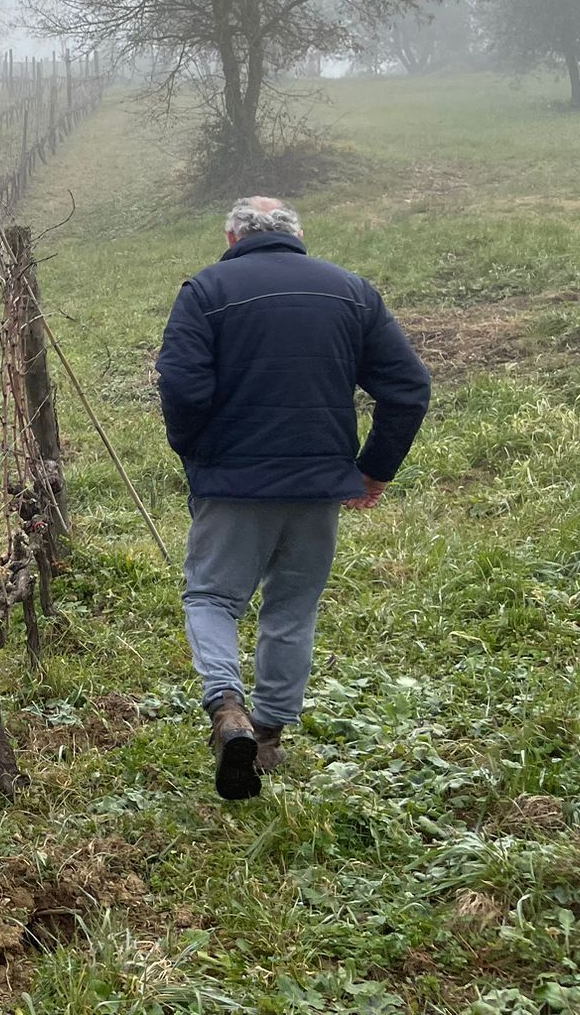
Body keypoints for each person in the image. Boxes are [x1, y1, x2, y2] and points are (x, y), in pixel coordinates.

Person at [155, 195, 431, 800]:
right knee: (293, 606)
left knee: (212, 596)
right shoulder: (352, 291)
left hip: (231, 483)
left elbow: (180, 384)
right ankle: (269, 734)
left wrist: (195, 453)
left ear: (232, 238)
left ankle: (226, 708)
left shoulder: (205, 291)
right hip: (318, 483)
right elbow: (409, 387)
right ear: (297, 235)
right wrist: (375, 469)